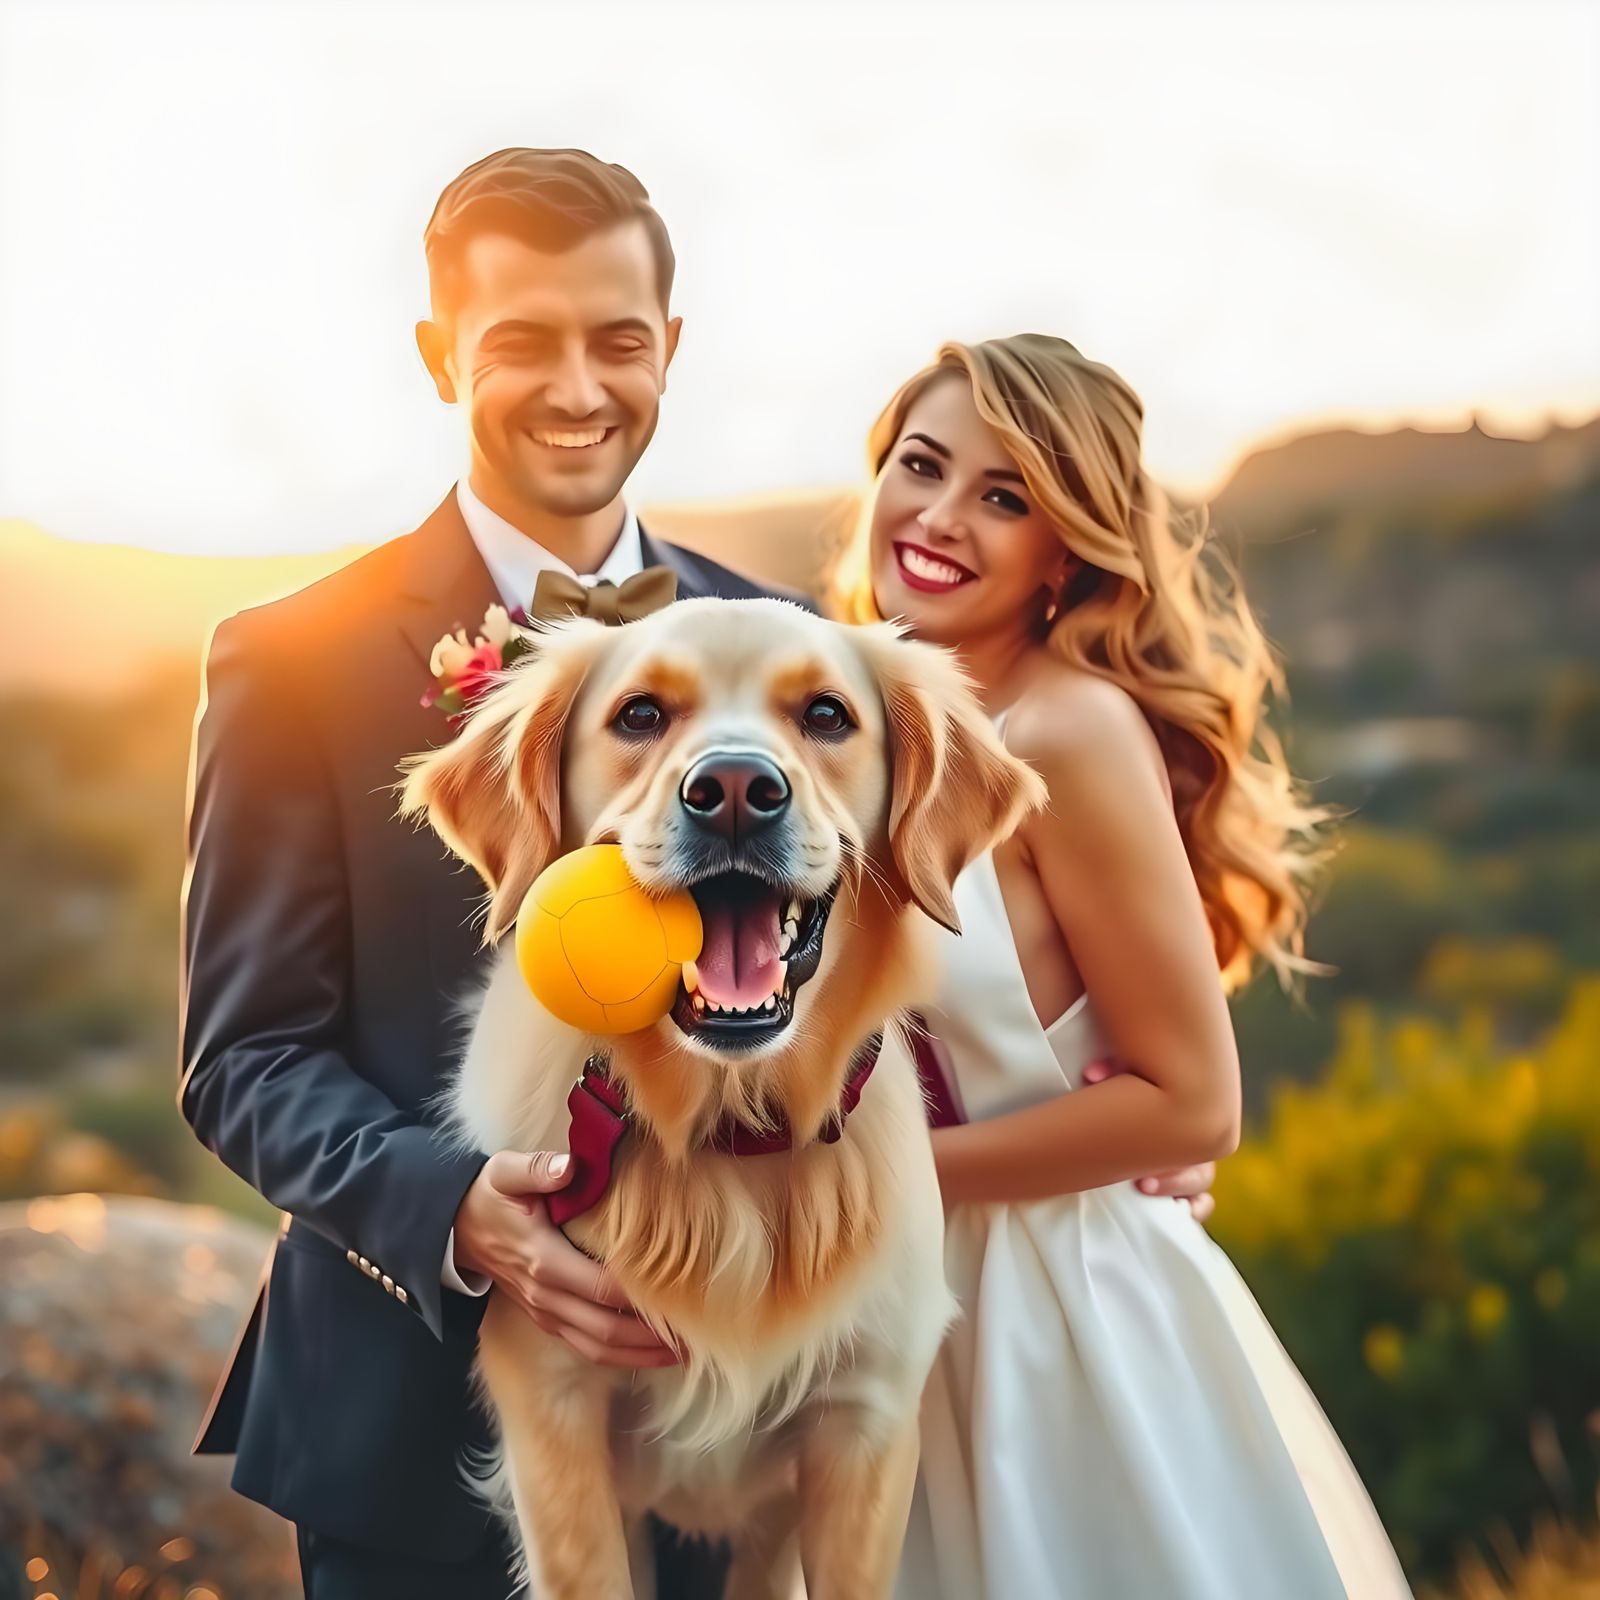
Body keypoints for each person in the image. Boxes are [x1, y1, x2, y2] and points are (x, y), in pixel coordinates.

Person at [177, 147, 811, 1600]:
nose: (580, 388)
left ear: (673, 351)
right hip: (410, 1426)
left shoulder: (777, 638)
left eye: (619, 341)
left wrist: (1095, 1119)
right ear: (437, 355)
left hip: (723, 1420)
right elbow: (245, 1056)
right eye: (522, 341)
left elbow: (854, 977)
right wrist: (452, 1208)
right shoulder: (292, 662)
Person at [832, 334, 1414, 1598]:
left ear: (1068, 548)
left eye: (1005, 496)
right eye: (920, 467)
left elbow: (1194, 1104)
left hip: (1053, 1322)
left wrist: (856, 1184)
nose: (939, 517)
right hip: (873, 1323)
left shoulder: (1069, 732)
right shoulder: (840, 725)